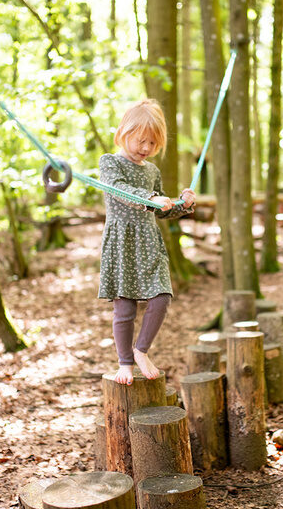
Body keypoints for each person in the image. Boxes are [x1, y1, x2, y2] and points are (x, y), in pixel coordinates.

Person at [98, 99, 196, 385]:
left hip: (149, 241)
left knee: (161, 297)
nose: (146, 148)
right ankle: (125, 363)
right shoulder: (110, 163)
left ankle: (141, 351)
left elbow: (161, 210)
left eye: (152, 143)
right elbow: (119, 190)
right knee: (125, 308)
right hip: (122, 242)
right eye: (141, 140)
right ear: (123, 133)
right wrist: (150, 198)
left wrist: (183, 204)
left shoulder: (152, 171)